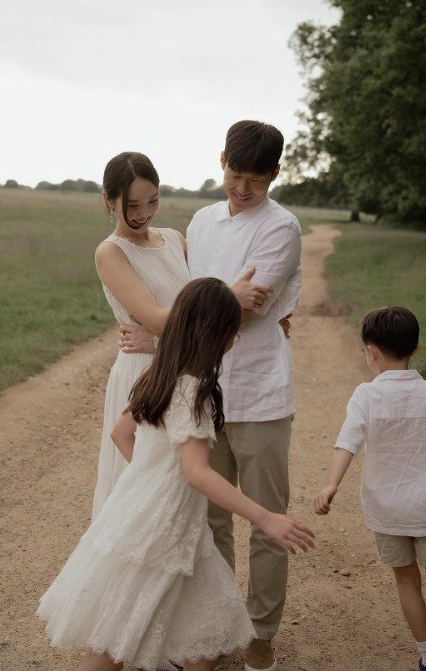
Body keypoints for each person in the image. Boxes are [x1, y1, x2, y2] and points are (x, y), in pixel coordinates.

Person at [37, 278, 315, 671]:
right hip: (161, 528)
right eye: (231, 327)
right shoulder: (194, 390)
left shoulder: (160, 372)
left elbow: (122, 433)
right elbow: (197, 474)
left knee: (203, 636)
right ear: (211, 333)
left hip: (155, 515)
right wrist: (266, 517)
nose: (237, 334)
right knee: (116, 644)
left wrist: (153, 481)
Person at [120, 121, 302, 671]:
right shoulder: (200, 221)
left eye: (253, 179)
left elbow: (245, 310)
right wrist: (224, 297)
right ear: (221, 159)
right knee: (208, 520)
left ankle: (261, 635)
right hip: (200, 389)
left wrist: (197, 314)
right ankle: (218, 631)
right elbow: (211, 303)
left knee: (268, 521)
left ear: (274, 175)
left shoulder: (282, 228)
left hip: (260, 392)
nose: (240, 188)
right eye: (233, 173)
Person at [92, 151, 268, 520]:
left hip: (183, 367)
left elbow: (192, 312)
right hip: (143, 372)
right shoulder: (111, 252)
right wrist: (228, 295)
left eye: (152, 201)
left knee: (187, 487)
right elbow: (158, 319)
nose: (143, 214)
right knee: (145, 496)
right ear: (108, 201)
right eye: (132, 205)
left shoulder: (174, 239)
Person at [314, 306, 426, 671]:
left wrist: (332, 483)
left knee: (406, 579)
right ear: (417, 348)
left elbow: (347, 442)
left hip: (388, 509)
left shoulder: (367, 395)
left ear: (371, 351)